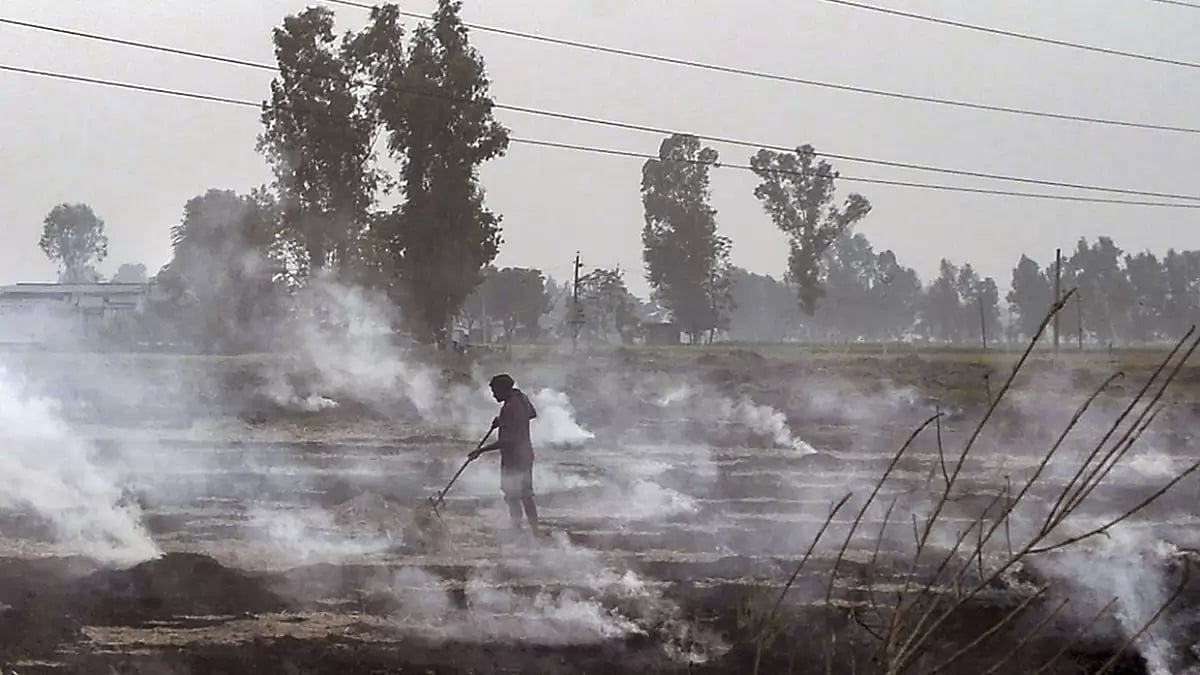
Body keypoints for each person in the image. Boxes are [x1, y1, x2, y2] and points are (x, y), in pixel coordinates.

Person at [469, 373, 540, 535]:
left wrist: (480, 451)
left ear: (503, 389)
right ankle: (534, 530)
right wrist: (503, 422)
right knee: (525, 494)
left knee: (512, 495)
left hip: (514, 458)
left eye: (495, 391)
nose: (494, 395)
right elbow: (531, 414)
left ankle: (517, 529)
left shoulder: (509, 408)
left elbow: (507, 441)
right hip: (526, 454)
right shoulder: (521, 398)